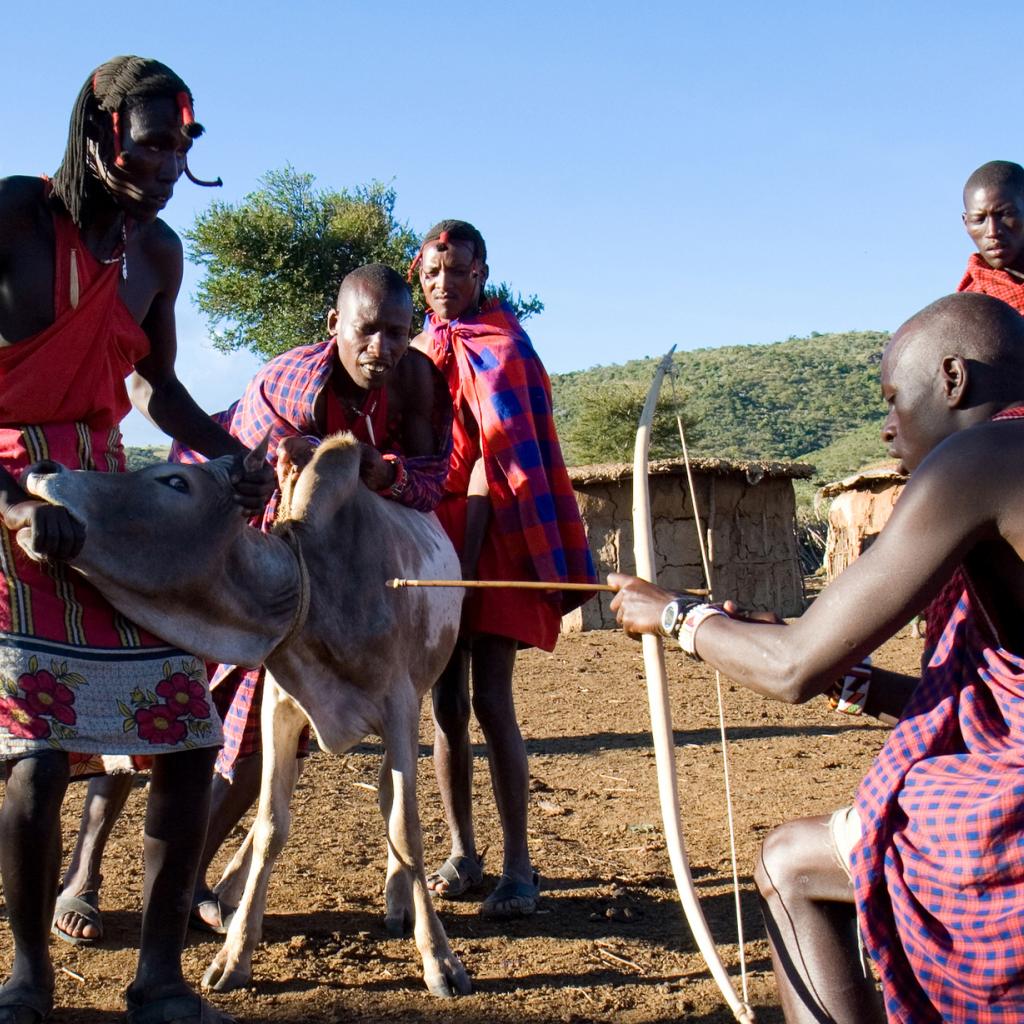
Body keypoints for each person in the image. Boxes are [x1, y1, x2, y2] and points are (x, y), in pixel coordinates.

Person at [609, 291, 1024, 1022]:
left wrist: (672, 614)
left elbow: (792, 666)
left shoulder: (980, 459)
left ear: (954, 380)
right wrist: (853, 680)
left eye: (895, 399)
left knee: (788, 865)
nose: (889, 428)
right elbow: (974, 701)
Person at [56, 263, 453, 937]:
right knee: (158, 693)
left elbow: (428, 479)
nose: (381, 348)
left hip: (306, 574)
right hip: (224, 534)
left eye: (396, 332)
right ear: (335, 327)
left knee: (263, 732)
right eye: (366, 331)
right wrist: (313, 471)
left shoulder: (416, 384)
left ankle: (182, 885)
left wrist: (381, 471)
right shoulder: (291, 384)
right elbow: (255, 490)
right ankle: (81, 878)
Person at [0, 57, 273, 1024]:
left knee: (188, 734)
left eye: (183, 144)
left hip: (108, 505)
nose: (170, 161)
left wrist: (227, 450)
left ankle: (157, 979)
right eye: (155, 140)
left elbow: (153, 387)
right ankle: (27, 976)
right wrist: (16, 502)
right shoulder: (17, 219)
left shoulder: (156, 254)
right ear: (100, 128)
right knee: (35, 750)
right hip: (15, 496)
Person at [411, 220, 597, 918]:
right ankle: (464, 853)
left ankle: (520, 866)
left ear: (482, 272)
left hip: (493, 540)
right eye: (432, 275)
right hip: (438, 537)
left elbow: (500, 460)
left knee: (492, 702)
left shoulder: (505, 347)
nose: (443, 285)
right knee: (444, 707)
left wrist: (464, 562)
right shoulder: (422, 348)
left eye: (456, 272)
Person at [958, 160, 1024, 314]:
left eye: (1005, 214)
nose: (992, 231)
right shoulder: (969, 311)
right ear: (966, 223)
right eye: (979, 220)